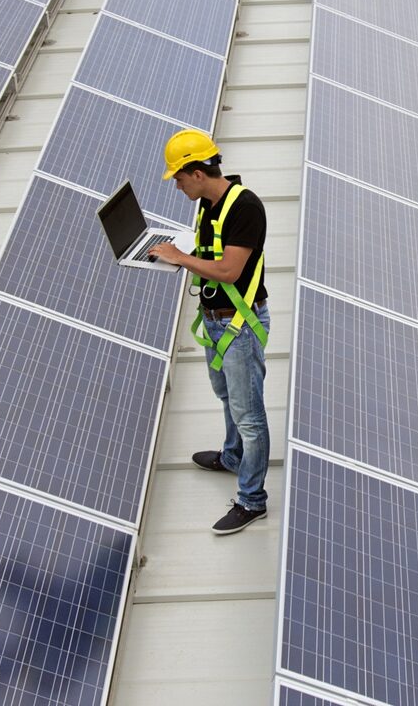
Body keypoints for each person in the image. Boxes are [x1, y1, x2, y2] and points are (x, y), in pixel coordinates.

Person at [149, 128, 270, 536]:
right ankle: (233, 457)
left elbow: (229, 270)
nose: (178, 185)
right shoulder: (208, 205)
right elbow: (209, 251)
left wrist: (179, 258)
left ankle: (252, 501)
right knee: (227, 397)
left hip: (239, 326)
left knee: (249, 415)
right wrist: (171, 252)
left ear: (198, 172)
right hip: (217, 322)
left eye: (179, 178)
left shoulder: (245, 207)